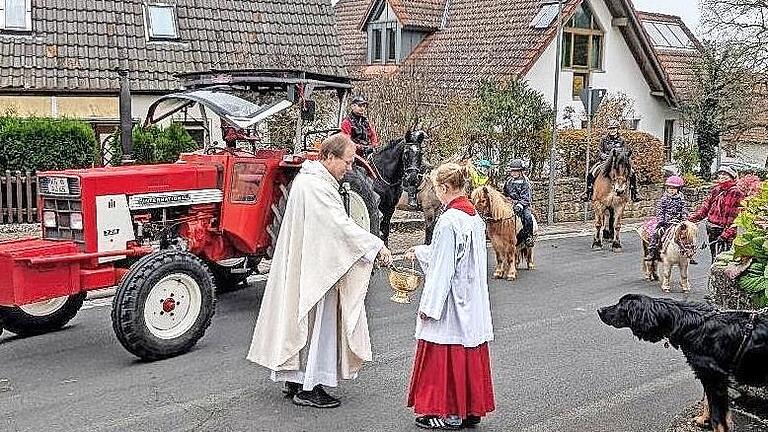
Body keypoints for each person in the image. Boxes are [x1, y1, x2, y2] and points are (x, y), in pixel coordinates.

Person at [246, 133, 393, 409]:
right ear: (328, 157)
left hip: (314, 265)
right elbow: (339, 227)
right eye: (346, 162)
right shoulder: (315, 186)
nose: (349, 168)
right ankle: (310, 385)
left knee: (306, 324)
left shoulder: (312, 181)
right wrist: (375, 245)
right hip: (318, 272)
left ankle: (296, 378)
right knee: (318, 327)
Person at [404, 163, 495, 430]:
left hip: (451, 300)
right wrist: (421, 251)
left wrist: (429, 306)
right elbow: (455, 257)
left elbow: (443, 268)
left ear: (444, 188)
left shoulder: (447, 221)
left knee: (443, 349)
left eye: (436, 188)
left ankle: (446, 412)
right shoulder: (474, 218)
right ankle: (469, 410)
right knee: (468, 346)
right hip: (471, 296)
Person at [688, 165, 745, 261]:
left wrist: (726, 235)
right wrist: (690, 219)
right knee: (714, 256)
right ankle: (713, 274)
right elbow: (705, 208)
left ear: (731, 177)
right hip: (711, 228)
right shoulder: (716, 189)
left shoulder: (736, 193)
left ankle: (718, 275)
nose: (722, 176)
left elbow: (735, 218)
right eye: (720, 174)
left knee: (722, 259)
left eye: (725, 174)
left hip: (723, 231)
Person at [582, 120, 641, 203]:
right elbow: (599, 151)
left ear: (617, 129)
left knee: (632, 173)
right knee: (591, 172)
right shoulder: (603, 139)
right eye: (610, 128)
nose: (612, 130)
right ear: (608, 129)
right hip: (605, 161)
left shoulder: (622, 140)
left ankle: (635, 193)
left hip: (618, 163)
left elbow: (624, 152)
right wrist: (604, 156)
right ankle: (588, 192)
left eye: (614, 128)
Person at [644, 175, 687, 261]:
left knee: (687, 233)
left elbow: (684, 209)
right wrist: (661, 221)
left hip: (678, 221)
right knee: (657, 232)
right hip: (666, 221)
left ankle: (688, 251)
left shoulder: (681, 199)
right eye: (669, 188)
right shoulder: (664, 199)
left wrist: (684, 218)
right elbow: (660, 211)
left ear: (678, 189)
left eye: (674, 188)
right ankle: (652, 250)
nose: (671, 190)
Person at [503, 159, 535, 247]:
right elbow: (505, 192)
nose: (513, 173)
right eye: (512, 171)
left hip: (523, 205)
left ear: (521, 171)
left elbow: (526, 197)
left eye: (515, 171)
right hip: (510, 204)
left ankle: (529, 236)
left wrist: (520, 205)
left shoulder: (526, 182)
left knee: (528, 217)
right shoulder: (509, 181)